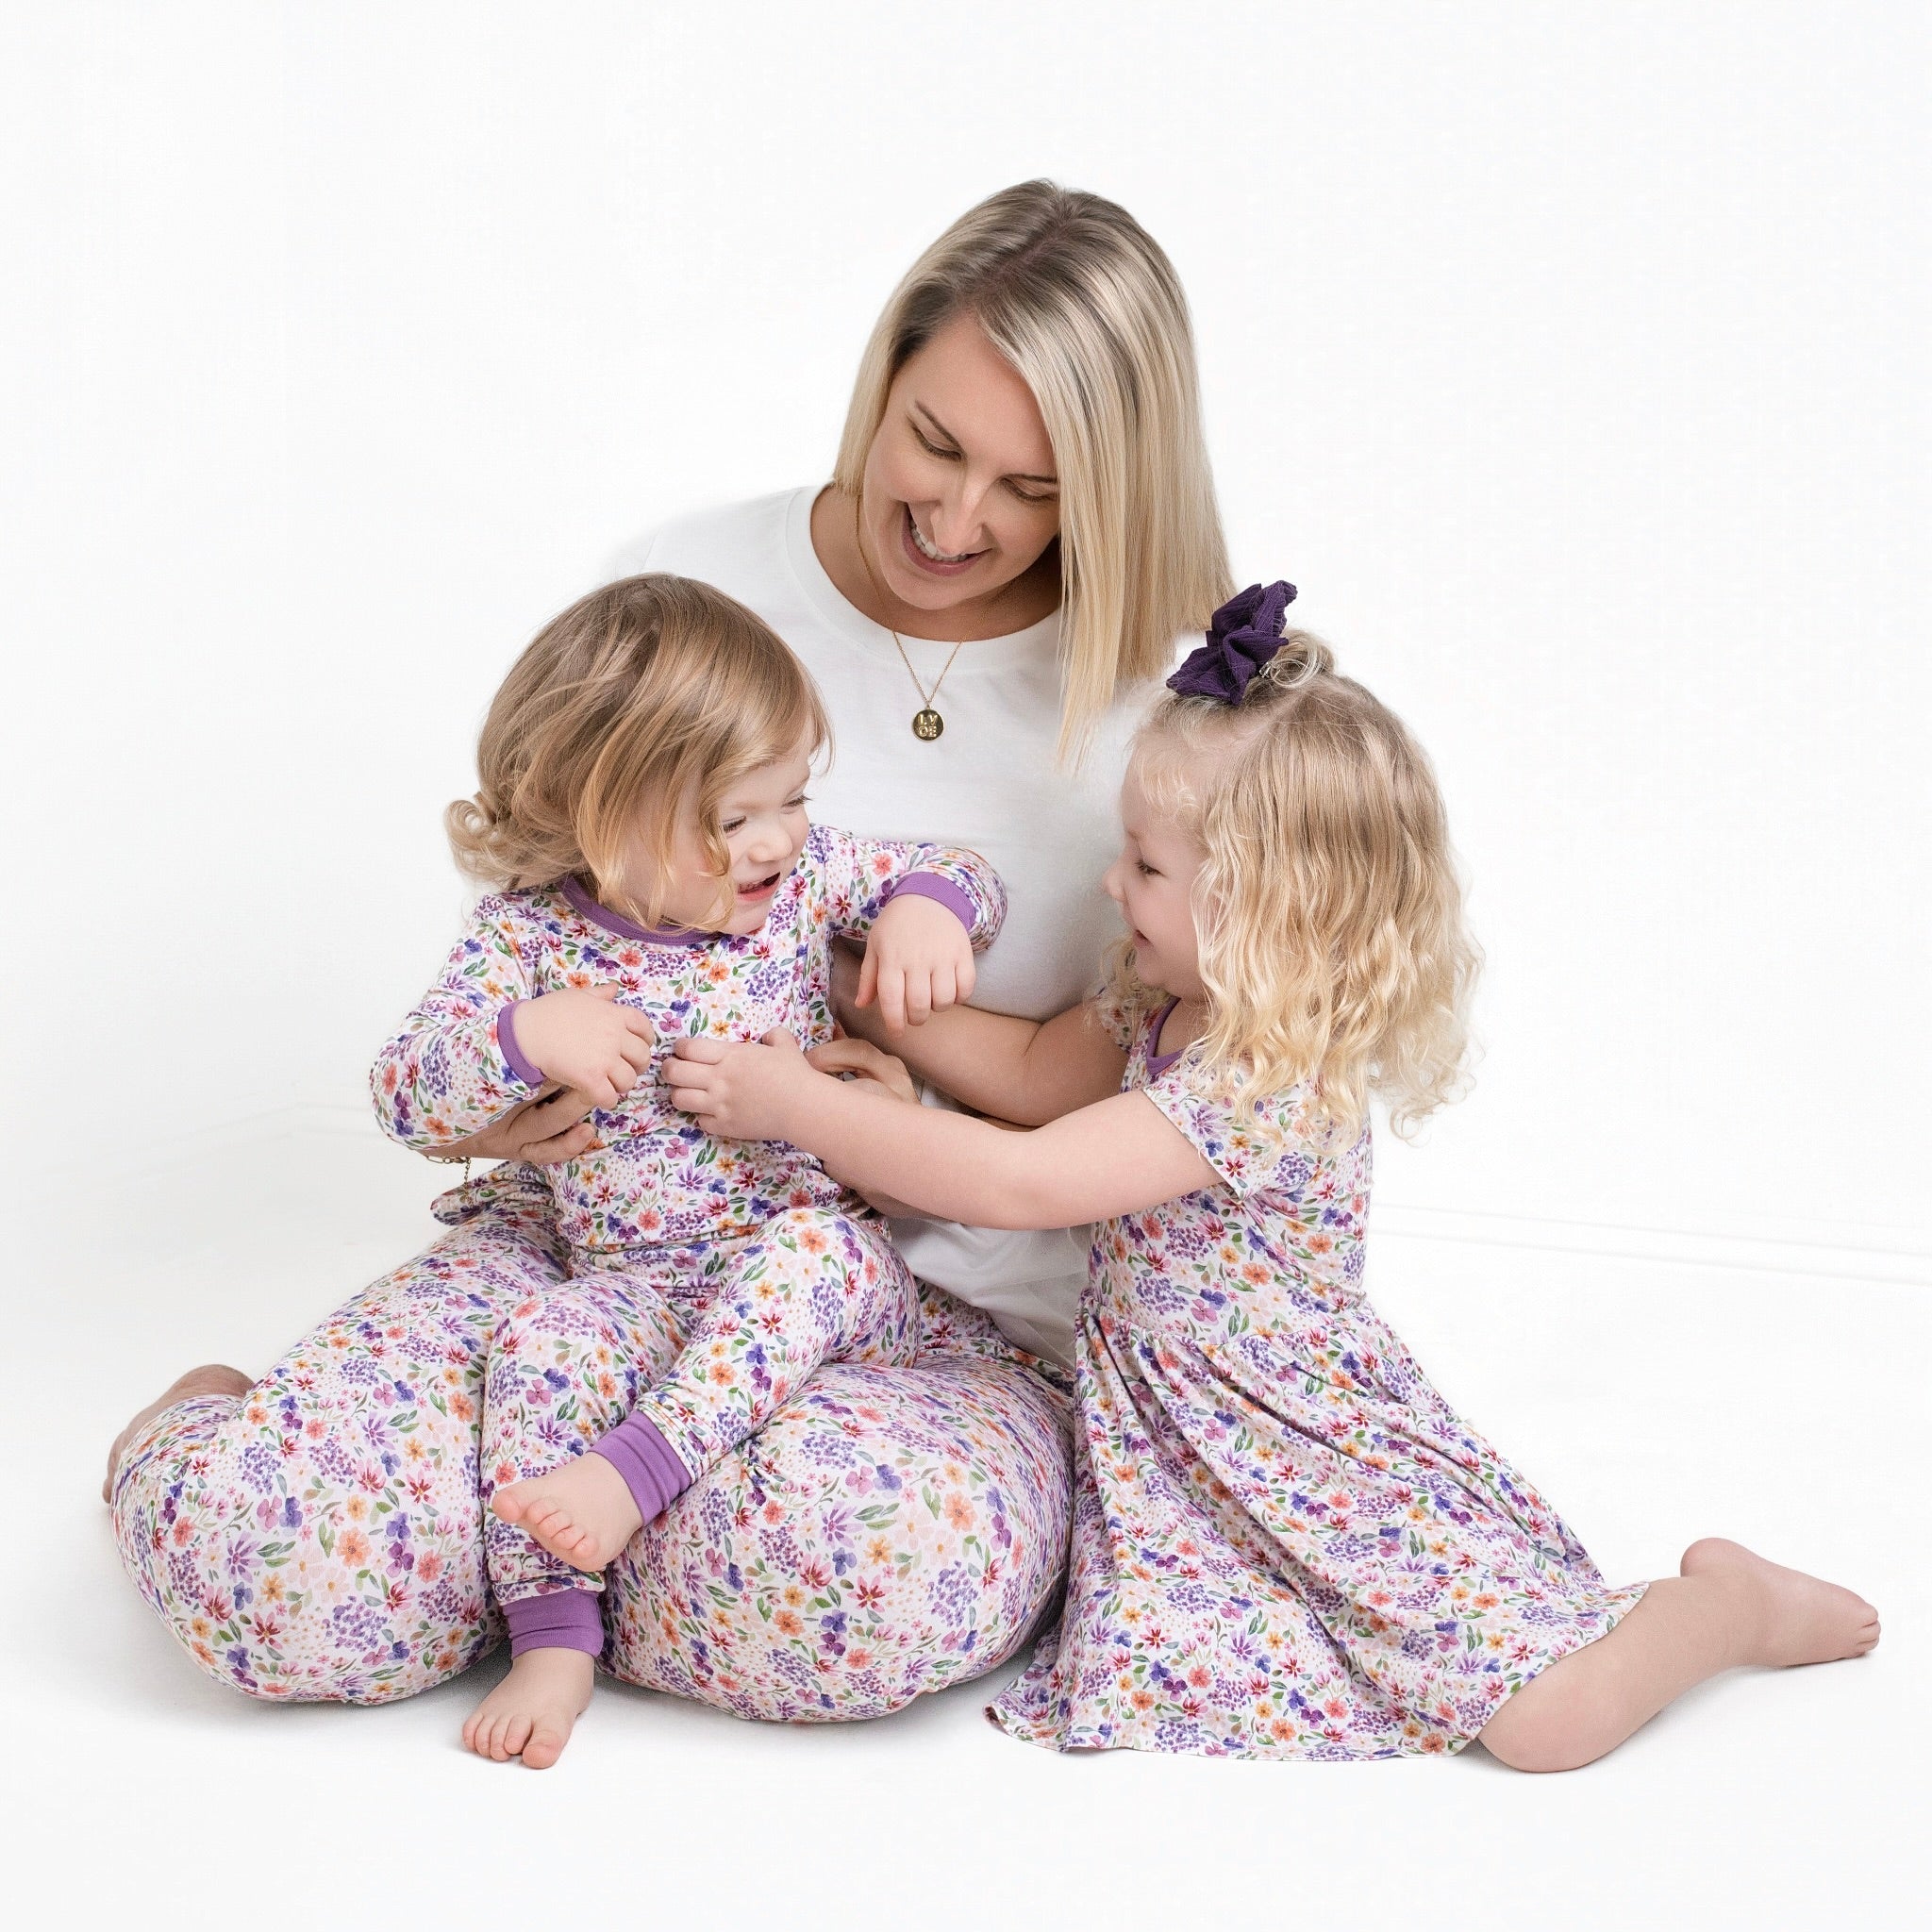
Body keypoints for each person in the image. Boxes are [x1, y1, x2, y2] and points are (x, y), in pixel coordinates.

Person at [104, 179, 1234, 1740]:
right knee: (271, 1569)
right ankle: (331, 1476)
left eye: (1032, 487)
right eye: (933, 441)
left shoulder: (1153, 709)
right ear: (879, 378)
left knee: (855, 1579)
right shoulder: (687, 592)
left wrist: (850, 1059)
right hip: (583, 1274)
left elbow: (1116, 1075)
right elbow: (529, 941)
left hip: (915, 1313)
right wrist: (512, 1080)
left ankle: (541, 1565)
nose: (962, 518)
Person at [663, 584, 1882, 1767]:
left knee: (1542, 1724)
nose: (1110, 883)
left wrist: (801, 1107)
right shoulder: (1169, 995)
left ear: (1261, 907)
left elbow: (1023, 1179)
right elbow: (1035, 1074)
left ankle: (1728, 1607)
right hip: (1187, 1443)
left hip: (1300, 1436)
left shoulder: (1264, 1078)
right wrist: (826, 976)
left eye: (1144, 867)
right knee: (1251, 1655)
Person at [364, 573, 1007, 1765]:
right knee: (543, 1345)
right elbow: (404, 1088)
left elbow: (960, 871)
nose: (775, 838)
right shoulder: (526, 933)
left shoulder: (800, 886)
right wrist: (521, 1036)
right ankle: (553, 1631)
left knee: (812, 1250)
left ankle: (635, 1473)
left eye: (791, 799)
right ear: (594, 812)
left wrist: (926, 908)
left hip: (812, 1267)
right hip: (626, 1273)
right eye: (730, 816)